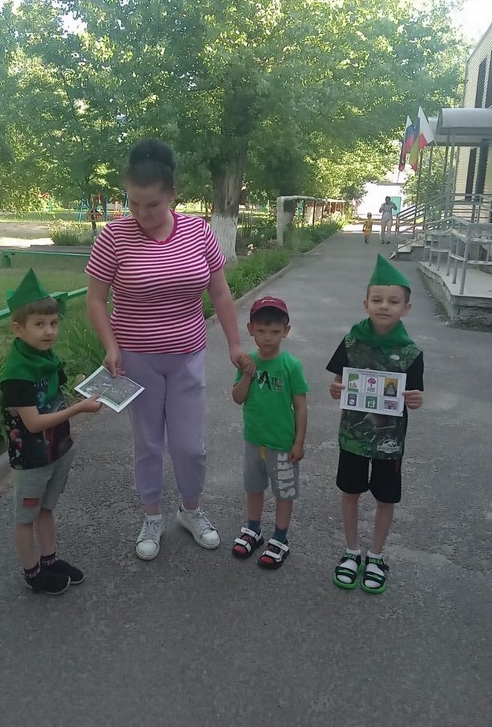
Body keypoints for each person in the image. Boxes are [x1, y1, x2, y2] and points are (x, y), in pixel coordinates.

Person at [86, 138, 243, 561]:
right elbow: (96, 299)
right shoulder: (114, 237)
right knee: (149, 443)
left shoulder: (198, 232)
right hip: (136, 360)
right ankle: (151, 515)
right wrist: (110, 345)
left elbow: (220, 292)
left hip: (187, 355)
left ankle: (190, 510)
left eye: (152, 204)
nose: (141, 214)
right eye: (133, 203)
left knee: (190, 446)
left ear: (172, 194)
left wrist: (234, 344)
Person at [0, 268, 103, 595]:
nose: (49, 331)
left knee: (46, 509)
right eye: (39, 324)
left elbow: (56, 396)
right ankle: (33, 574)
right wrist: (79, 409)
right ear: (18, 329)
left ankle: (49, 559)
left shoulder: (46, 358)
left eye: (54, 323)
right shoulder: (17, 373)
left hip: (56, 449)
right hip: (32, 458)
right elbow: (32, 423)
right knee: (25, 517)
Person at [327, 255, 424, 594]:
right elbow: (337, 383)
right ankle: (351, 551)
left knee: (386, 497)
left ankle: (376, 556)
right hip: (353, 436)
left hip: (389, 442)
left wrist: (416, 399)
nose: (385, 306)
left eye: (393, 301)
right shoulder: (351, 343)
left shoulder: (411, 353)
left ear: (406, 308)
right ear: (365, 303)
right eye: (378, 300)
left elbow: (415, 395)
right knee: (350, 491)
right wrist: (336, 388)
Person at [231, 296, 309, 569]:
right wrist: (247, 374)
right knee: (254, 488)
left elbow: (301, 405)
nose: (267, 337)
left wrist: (299, 442)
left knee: (284, 493)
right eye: (261, 330)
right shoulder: (247, 362)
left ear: (286, 331)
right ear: (250, 329)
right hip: (254, 440)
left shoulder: (291, 365)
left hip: (283, 444)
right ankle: (253, 529)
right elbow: (238, 398)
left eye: (275, 331)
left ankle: (280, 538)